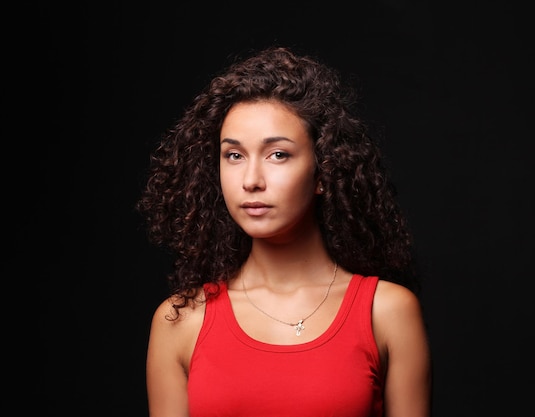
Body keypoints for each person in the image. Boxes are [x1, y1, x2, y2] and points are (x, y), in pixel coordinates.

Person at [136, 45, 431, 417]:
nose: (251, 180)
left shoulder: (386, 312)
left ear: (324, 171)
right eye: (234, 155)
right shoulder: (180, 321)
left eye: (278, 154)